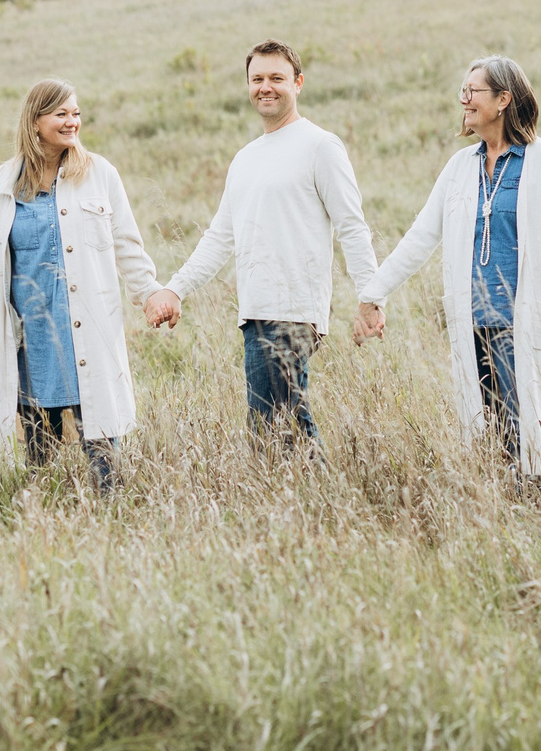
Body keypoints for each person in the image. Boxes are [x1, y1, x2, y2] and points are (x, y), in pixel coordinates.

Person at [359, 57, 541, 478]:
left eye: (473, 91)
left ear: (504, 99)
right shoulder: (459, 167)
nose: (464, 100)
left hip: (519, 323)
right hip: (470, 325)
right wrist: (373, 294)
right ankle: (497, 508)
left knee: (525, 436)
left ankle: (537, 503)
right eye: (463, 91)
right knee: (483, 438)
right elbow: (419, 237)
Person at [147, 40, 379, 452]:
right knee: (276, 432)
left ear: (298, 83)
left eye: (276, 78)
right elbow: (220, 237)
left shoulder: (320, 146)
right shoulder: (246, 158)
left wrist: (371, 298)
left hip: (293, 312)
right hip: (255, 311)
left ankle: (321, 490)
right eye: (257, 79)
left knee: (277, 429)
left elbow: (352, 226)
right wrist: (175, 288)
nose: (265, 87)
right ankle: (314, 491)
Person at [0, 80, 166, 490]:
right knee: (39, 458)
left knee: (103, 451)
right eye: (61, 114)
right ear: (35, 122)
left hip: (89, 334)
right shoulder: (0, 186)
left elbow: (127, 245)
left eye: (76, 113)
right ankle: (43, 516)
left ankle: (111, 515)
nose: (72, 121)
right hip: (32, 343)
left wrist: (149, 294)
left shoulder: (99, 175)